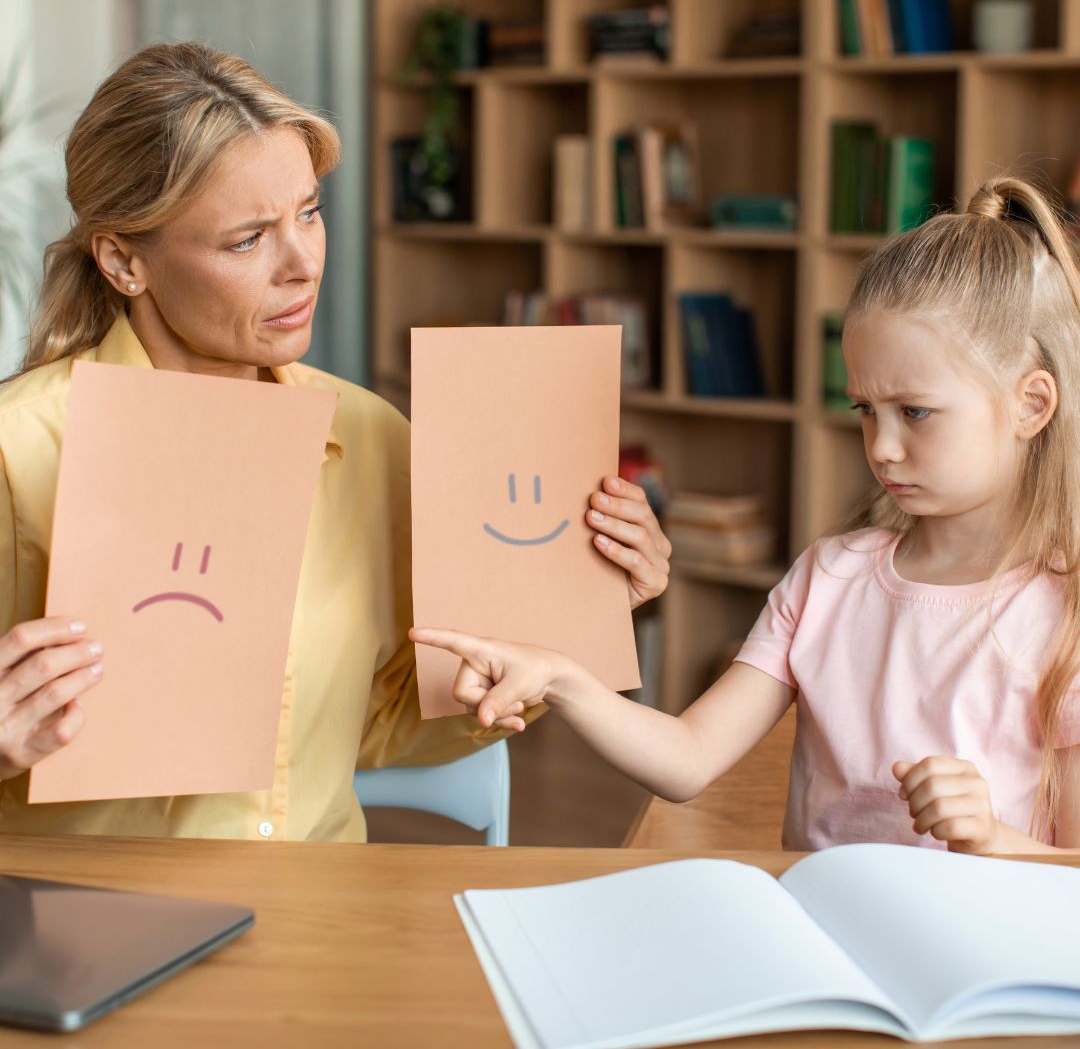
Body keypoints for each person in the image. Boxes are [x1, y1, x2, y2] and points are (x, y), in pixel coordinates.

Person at [0, 42, 671, 841]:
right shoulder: (18, 452)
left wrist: (572, 622)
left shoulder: (370, 439)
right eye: (247, 240)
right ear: (122, 261)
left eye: (309, 213)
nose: (302, 265)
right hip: (93, 933)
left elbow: (378, 721)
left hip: (316, 912)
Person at [414, 175, 1080, 855]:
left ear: (1032, 404)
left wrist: (996, 839)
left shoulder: (1065, 614)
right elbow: (688, 758)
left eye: (915, 412)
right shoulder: (829, 578)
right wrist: (560, 676)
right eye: (864, 411)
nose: (881, 447)